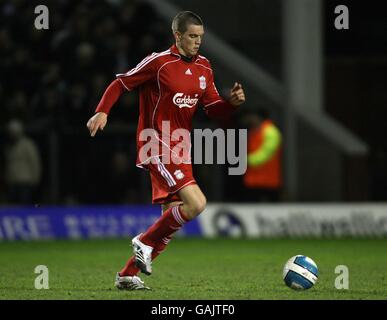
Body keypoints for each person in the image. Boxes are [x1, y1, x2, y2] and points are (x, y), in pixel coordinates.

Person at [86, 11, 245, 290]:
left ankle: (126, 275)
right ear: (178, 36)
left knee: (170, 220)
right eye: (192, 36)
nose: (198, 42)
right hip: (155, 142)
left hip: (181, 147)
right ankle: (143, 242)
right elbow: (120, 83)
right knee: (196, 204)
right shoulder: (158, 63)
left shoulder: (205, 67)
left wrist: (230, 104)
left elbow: (212, 109)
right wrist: (102, 111)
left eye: (201, 37)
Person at [242, 109, 282, 202]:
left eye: (251, 116)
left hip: (269, 181)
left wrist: (245, 160)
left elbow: (266, 153)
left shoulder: (271, 131)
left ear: (258, 118)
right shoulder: (253, 131)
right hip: (253, 180)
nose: (249, 119)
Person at [3, 119, 42, 204]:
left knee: (24, 204)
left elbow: (34, 162)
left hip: (25, 181)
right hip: (12, 181)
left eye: (14, 131)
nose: (12, 133)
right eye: (10, 131)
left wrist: (36, 178)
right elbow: (8, 164)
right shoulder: (8, 146)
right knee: (13, 205)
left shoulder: (28, 144)